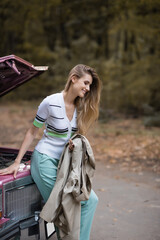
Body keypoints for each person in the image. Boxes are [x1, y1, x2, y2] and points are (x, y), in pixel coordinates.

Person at [0, 64, 101, 240]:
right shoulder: (50, 102)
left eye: (90, 85)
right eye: (85, 82)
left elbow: (73, 135)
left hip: (65, 163)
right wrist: (17, 162)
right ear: (73, 78)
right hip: (44, 161)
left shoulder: (80, 106)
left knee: (90, 200)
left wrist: (73, 143)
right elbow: (32, 132)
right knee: (64, 205)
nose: (87, 88)